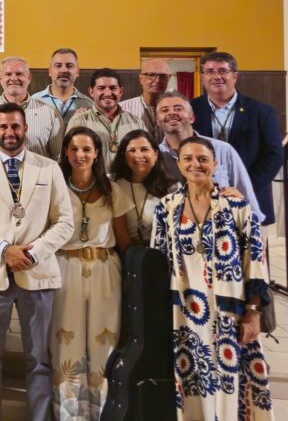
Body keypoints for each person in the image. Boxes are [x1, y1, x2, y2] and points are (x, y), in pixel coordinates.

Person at [0, 102, 74, 421]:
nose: (9, 132)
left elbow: (65, 221)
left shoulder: (48, 168)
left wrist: (33, 252)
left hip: (37, 272)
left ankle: (39, 417)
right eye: (3, 127)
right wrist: (2, 249)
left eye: (15, 126)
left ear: (25, 128)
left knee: (38, 356)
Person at [151, 136, 273, 419]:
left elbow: (254, 261)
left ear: (215, 164)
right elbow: (159, 262)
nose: (196, 164)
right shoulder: (166, 208)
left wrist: (253, 312)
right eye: (188, 159)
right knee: (191, 380)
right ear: (179, 165)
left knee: (230, 380)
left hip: (229, 311)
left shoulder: (237, 207)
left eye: (203, 159)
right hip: (184, 312)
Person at [51, 127, 128, 420]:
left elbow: (123, 239)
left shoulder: (112, 189)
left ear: (97, 153)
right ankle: (70, 414)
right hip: (65, 268)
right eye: (74, 149)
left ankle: (103, 411)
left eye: (86, 149)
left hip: (104, 270)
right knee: (64, 340)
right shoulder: (55, 186)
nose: (80, 155)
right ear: (66, 153)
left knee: (104, 340)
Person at [190, 51, 282, 227]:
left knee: (254, 254)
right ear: (202, 77)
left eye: (223, 71)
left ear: (235, 76)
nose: (216, 76)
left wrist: (243, 188)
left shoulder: (261, 111)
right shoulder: (190, 109)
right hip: (203, 201)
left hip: (251, 199)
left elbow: (273, 155)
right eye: (210, 71)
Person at [155, 91, 264, 222]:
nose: (171, 113)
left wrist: (256, 232)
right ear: (157, 121)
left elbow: (246, 198)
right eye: (164, 110)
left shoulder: (223, 150)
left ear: (192, 117)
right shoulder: (155, 158)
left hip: (221, 233)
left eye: (178, 108)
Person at [0, 56, 64, 160]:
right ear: (0, 78)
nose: (14, 78)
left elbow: (57, 157)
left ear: (29, 78)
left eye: (19, 74)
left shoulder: (50, 113)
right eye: (8, 74)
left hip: (38, 175)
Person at [110, 130, 175, 250]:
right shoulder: (114, 185)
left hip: (162, 254)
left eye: (144, 149)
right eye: (132, 151)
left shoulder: (172, 188)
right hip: (126, 255)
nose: (139, 155)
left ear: (155, 154)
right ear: (124, 157)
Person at [67, 68, 145, 169]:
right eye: (101, 88)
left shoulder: (135, 122)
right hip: (93, 183)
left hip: (128, 182)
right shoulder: (79, 121)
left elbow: (146, 153)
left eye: (113, 88)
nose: (108, 93)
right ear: (91, 92)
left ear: (121, 91)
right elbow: (70, 157)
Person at [32, 48, 93, 128]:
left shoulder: (89, 105)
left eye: (69, 66)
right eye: (58, 66)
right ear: (49, 71)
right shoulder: (34, 101)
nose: (64, 70)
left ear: (77, 72)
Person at [119, 57, 173, 136]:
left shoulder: (176, 109)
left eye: (163, 76)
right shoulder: (122, 109)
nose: (157, 80)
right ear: (141, 79)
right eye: (151, 75)